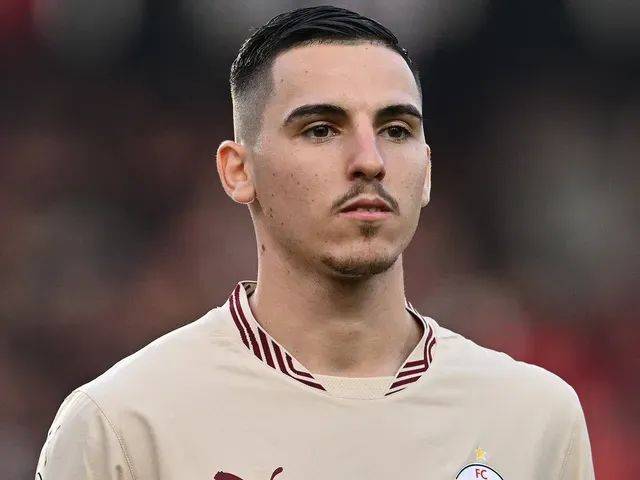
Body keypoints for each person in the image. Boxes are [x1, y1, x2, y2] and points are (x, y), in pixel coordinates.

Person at [35, 6, 594, 480]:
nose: (370, 160)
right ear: (238, 171)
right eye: (321, 129)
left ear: (426, 170)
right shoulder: (123, 424)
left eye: (396, 130)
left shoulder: (535, 419)